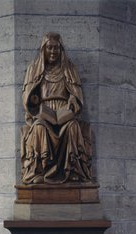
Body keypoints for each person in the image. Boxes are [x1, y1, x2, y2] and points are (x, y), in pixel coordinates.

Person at [21, 32, 92, 184]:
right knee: (39, 127)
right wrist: (33, 100)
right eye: (49, 48)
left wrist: (73, 98)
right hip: (44, 113)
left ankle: (71, 169)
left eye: (56, 48)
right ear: (43, 50)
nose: (53, 52)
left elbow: (77, 97)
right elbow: (28, 97)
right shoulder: (34, 69)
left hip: (63, 112)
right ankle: (39, 170)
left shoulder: (69, 69)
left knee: (73, 126)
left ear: (61, 50)